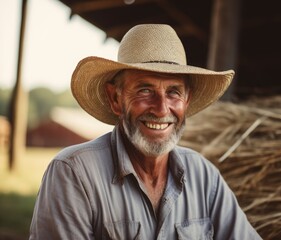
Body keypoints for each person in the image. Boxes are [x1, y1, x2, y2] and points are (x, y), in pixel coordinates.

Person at [29, 24, 262, 240]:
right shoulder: (75, 174)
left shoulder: (204, 177)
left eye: (173, 92)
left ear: (187, 100)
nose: (161, 110)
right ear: (116, 98)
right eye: (144, 90)